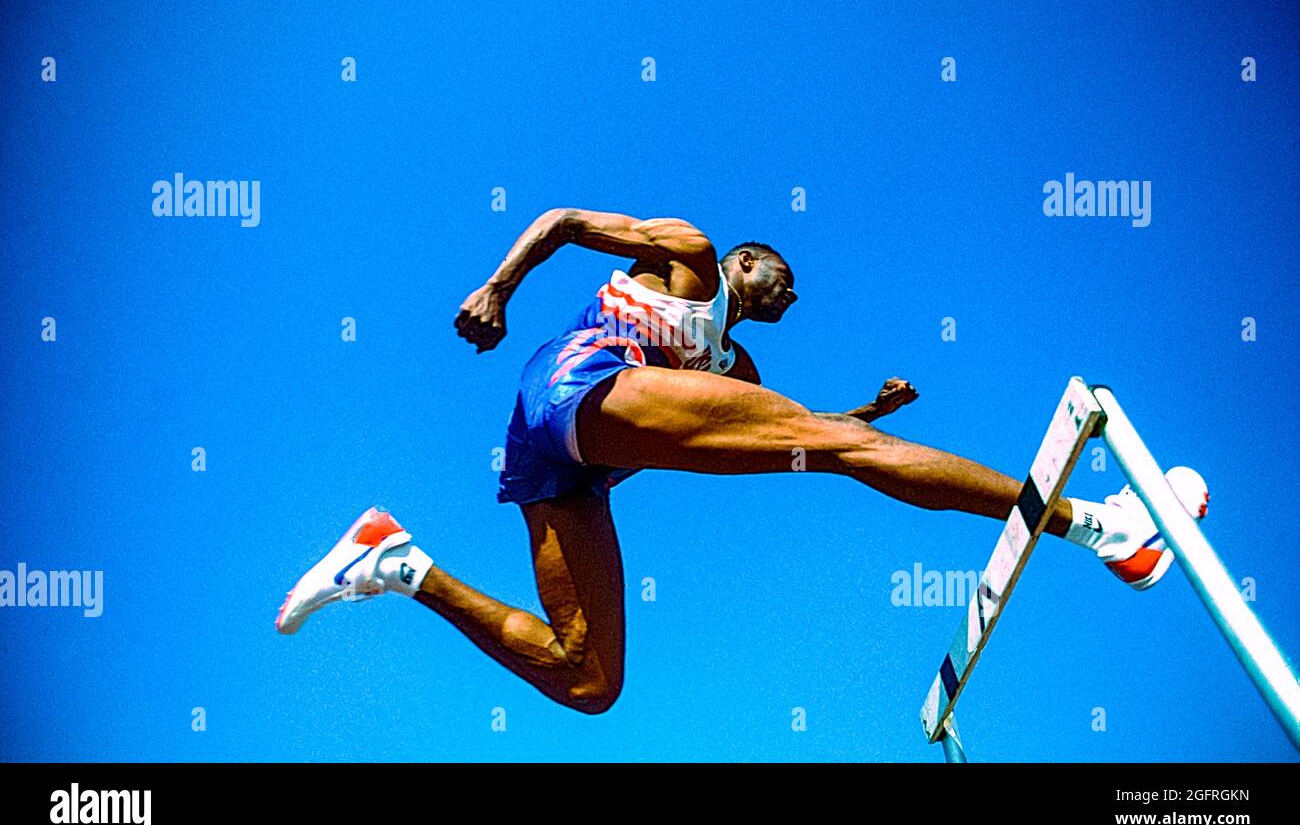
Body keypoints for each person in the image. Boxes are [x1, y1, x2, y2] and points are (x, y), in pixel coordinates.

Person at [276, 208, 1208, 714]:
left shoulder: (737, 365)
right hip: (573, 391)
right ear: (749, 261)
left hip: (561, 466)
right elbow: (561, 220)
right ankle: (1101, 525)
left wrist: (859, 414)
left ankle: (395, 562)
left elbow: (772, 428)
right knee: (841, 451)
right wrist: (497, 287)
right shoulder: (688, 255)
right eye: (784, 281)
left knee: (591, 681)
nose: (790, 299)